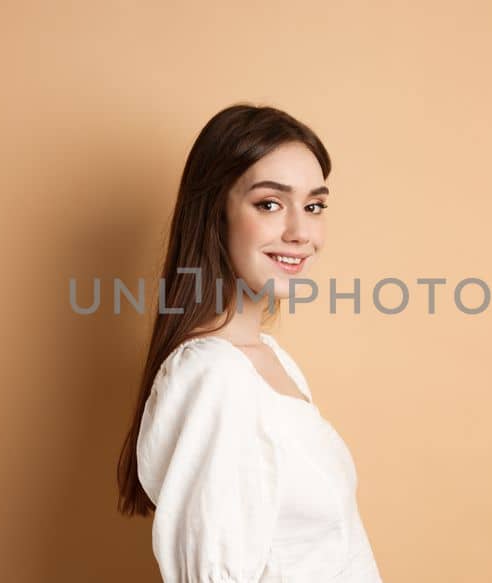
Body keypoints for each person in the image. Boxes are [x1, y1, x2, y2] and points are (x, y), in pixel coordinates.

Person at [116, 104, 384, 582]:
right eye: (270, 204)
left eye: (315, 205)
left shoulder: (272, 361)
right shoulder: (212, 376)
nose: (301, 232)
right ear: (215, 213)